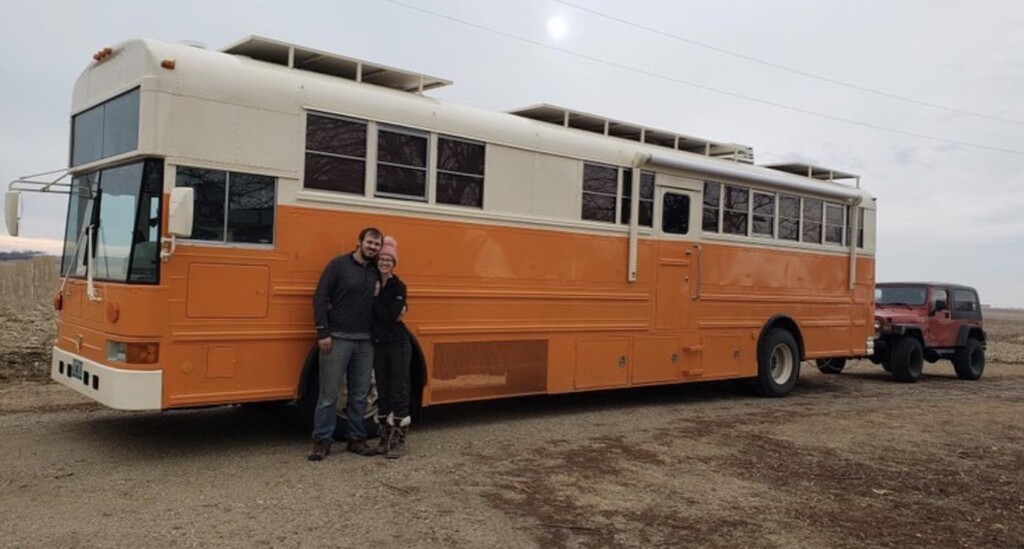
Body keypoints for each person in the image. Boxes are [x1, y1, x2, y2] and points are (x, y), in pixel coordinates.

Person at [308, 227, 382, 461]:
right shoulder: (339, 265)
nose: (373, 247)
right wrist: (323, 332)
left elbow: (390, 294)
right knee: (329, 394)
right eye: (370, 242)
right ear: (359, 242)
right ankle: (322, 441)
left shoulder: (376, 270)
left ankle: (356, 438)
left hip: (365, 342)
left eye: (377, 245)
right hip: (337, 339)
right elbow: (320, 296)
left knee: (360, 394)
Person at [372, 236, 413, 458]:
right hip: (379, 344)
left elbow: (390, 316)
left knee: (399, 388)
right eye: (382, 258)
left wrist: (376, 299)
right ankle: (384, 436)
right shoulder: (371, 281)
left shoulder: (399, 286)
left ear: (393, 263)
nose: (385, 262)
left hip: (398, 343)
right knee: (383, 389)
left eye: (389, 259)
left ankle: (399, 438)